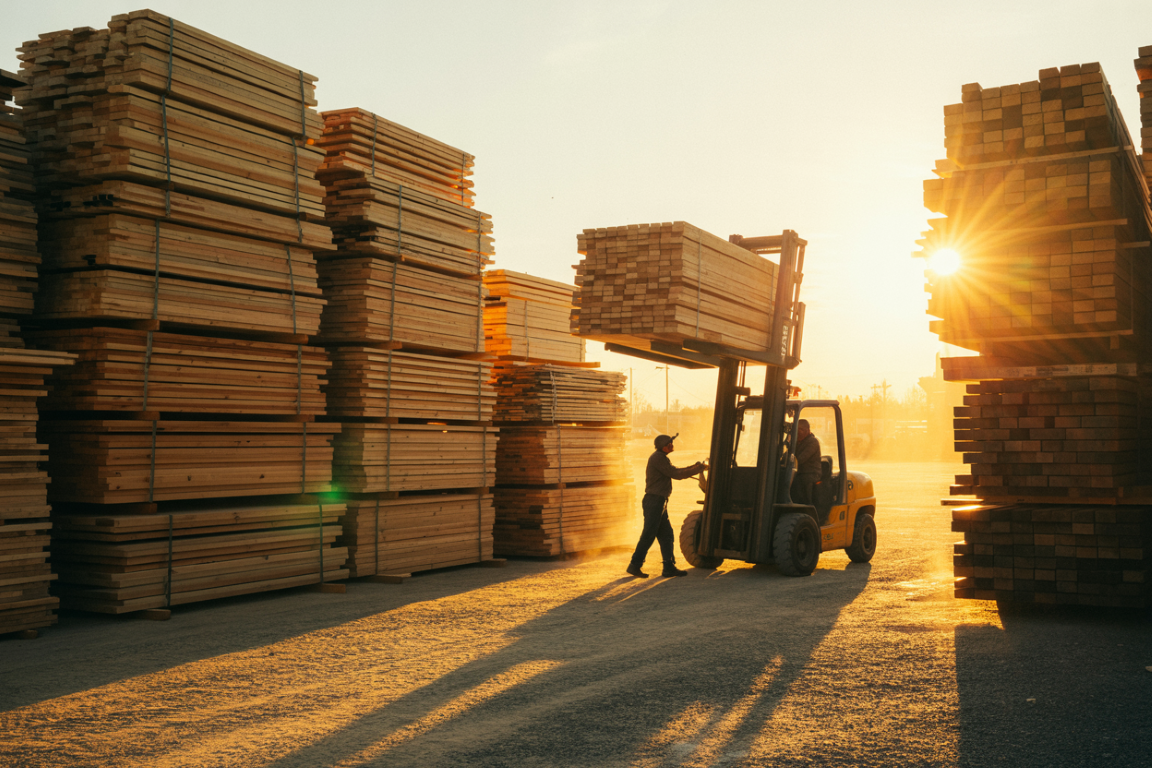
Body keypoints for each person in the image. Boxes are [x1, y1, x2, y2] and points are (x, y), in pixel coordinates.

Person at [628, 433, 704, 578]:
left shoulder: (661, 458)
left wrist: (696, 466)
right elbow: (676, 473)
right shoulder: (657, 458)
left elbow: (676, 470)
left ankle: (668, 567)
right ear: (665, 446)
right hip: (654, 501)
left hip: (660, 501)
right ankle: (635, 565)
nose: (672, 445)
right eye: (670, 443)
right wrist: (697, 469)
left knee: (667, 535)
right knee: (649, 534)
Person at [789, 418, 821, 507]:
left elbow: (801, 459)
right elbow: (790, 454)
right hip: (800, 472)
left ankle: (807, 507)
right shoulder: (798, 442)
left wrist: (790, 461)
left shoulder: (813, 442)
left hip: (811, 473)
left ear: (806, 430)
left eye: (799, 431)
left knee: (798, 483)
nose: (797, 434)